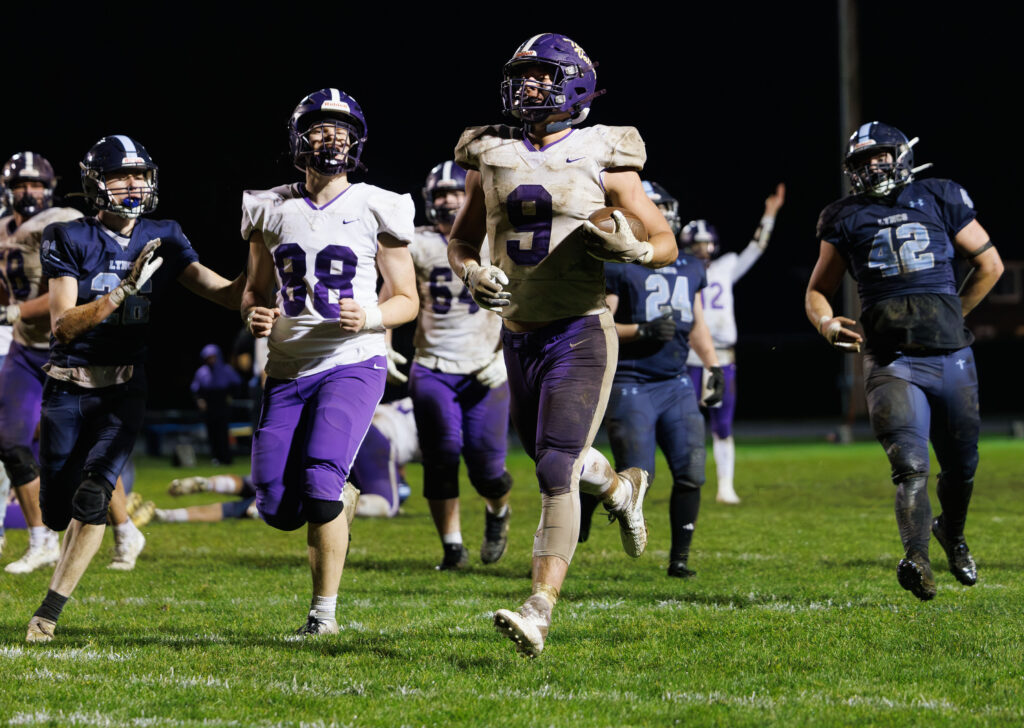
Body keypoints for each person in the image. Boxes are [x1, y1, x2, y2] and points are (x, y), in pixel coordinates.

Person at [448, 33, 679, 656]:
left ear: (574, 81)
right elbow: (461, 241)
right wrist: (470, 272)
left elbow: (665, 242)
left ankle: (539, 608)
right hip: (517, 336)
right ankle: (621, 488)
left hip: (578, 332)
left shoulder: (604, 152)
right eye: (521, 76)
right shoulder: (490, 152)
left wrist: (635, 249)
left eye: (542, 76)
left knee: (555, 469)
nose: (528, 87)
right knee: (558, 459)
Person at [25, 134, 245, 642]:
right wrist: (121, 291)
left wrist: (265, 256)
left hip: (124, 388)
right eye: (121, 175)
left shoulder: (163, 233)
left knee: (94, 496)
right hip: (67, 389)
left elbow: (226, 294)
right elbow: (62, 325)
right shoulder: (67, 236)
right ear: (95, 183)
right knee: (57, 508)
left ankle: (50, 611)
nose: (133, 184)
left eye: (140, 174)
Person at [241, 88, 418, 636]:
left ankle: (323, 616)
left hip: (353, 360)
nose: (331, 137)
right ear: (299, 137)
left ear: (357, 140)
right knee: (274, 503)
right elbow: (253, 291)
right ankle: (336, 498)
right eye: (319, 127)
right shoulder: (269, 207)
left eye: (342, 129)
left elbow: (406, 299)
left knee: (319, 481)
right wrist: (255, 316)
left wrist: (368, 317)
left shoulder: (376, 204)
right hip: (287, 367)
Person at [805, 121, 1003, 601]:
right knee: (910, 466)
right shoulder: (843, 215)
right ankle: (916, 558)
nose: (871, 166)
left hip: (950, 356)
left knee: (962, 467)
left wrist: (954, 312)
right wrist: (827, 324)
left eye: (880, 156)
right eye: (860, 161)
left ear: (902, 155)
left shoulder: (938, 195)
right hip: (891, 360)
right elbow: (817, 291)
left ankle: (950, 535)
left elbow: (990, 264)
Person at [580, 180, 724, 579]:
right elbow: (600, 323)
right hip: (631, 379)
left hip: (676, 382)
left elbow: (693, 322)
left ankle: (680, 559)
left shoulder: (690, 264)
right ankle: (586, 502)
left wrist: (711, 365)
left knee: (692, 471)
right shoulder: (618, 267)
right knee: (637, 474)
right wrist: (639, 332)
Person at [407, 160, 513, 570]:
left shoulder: (494, 239)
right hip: (432, 364)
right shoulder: (413, 242)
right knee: (441, 457)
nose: (449, 200)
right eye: (440, 194)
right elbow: (392, 290)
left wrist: (506, 355)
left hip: (485, 365)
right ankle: (452, 546)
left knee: (487, 468)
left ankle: (498, 513)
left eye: (455, 192)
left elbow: (524, 298)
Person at [0, 152, 81, 573]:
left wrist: (16, 312)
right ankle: (40, 540)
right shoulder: (3, 230)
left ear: (48, 187)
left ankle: (125, 529)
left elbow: (67, 287)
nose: (27, 193)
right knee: (11, 441)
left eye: (34, 185)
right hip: (23, 350)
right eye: (20, 185)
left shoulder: (61, 220)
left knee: (82, 447)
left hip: (64, 345)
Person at [683, 183, 786, 504]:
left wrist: (768, 216)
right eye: (697, 246)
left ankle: (725, 485)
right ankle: (689, 481)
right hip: (688, 357)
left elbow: (755, 249)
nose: (703, 251)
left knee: (721, 424)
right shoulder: (678, 271)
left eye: (705, 245)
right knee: (686, 423)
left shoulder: (726, 267)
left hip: (721, 357)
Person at [161, 397, 419, 522]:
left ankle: (196, 494)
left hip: (356, 421)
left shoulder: (417, 400)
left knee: (275, 483)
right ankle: (327, 500)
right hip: (377, 438)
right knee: (387, 504)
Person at [190, 343, 241, 464]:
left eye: (213, 357)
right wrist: (199, 400)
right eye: (208, 357)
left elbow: (237, 384)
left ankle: (226, 457)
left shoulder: (226, 370)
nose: (211, 360)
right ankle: (215, 457)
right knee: (211, 431)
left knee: (223, 431)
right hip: (209, 403)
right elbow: (195, 390)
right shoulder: (201, 372)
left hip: (222, 403)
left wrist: (231, 396)